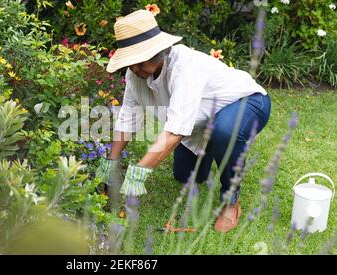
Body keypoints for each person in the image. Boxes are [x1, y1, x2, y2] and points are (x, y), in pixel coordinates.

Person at [95, 10, 271, 232]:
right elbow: (128, 117)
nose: (134, 69)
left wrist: (137, 173)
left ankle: (231, 201)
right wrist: (110, 162)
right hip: (203, 118)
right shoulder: (136, 74)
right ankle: (213, 145)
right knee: (186, 175)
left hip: (246, 102)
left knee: (225, 132)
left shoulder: (185, 67)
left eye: (138, 61)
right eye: (130, 63)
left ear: (157, 52)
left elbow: (175, 132)